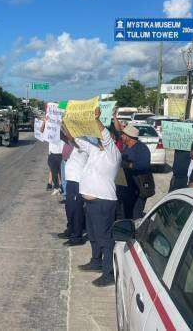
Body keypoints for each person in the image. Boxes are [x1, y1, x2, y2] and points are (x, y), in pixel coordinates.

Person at [77, 107, 121, 287]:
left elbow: (104, 134)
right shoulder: (96, 150)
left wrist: (96, 119)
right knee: (94, 235)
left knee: (105, 239)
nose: (98, 137)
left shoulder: (113, 153)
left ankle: (108, 273)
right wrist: (66, 122)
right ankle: (96, 261)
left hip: (104, 202)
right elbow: (77, 139)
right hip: (92, 203)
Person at [60, 125, 89, 246]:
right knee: (70, 208)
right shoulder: (76, 142)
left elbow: (70, 138)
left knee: (76, 209)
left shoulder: (84, 142)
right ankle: (71, 230)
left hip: (78, 181)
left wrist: (64, 123)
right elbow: (63, 137)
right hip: (71, 181)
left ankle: (76, 237)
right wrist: (58, 125)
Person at [119, 124, 152, 219]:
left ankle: (136, 233)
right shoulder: (126, 147)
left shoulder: (142, 149)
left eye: (123, 134)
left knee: (135, 215)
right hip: (126, 188)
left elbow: (144, 165)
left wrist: (129, 165)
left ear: (128, 137)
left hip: (138, 189)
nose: (121, 136)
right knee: (125, 213)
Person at [41, 118, 64, 193]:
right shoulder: (50, 127)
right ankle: (56, 187)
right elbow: (41, 130)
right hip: (52, 153)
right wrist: (44, 122)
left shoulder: (62, 125)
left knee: (62, 173)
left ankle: (62, 187)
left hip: (61, 153)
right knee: (54, 172)